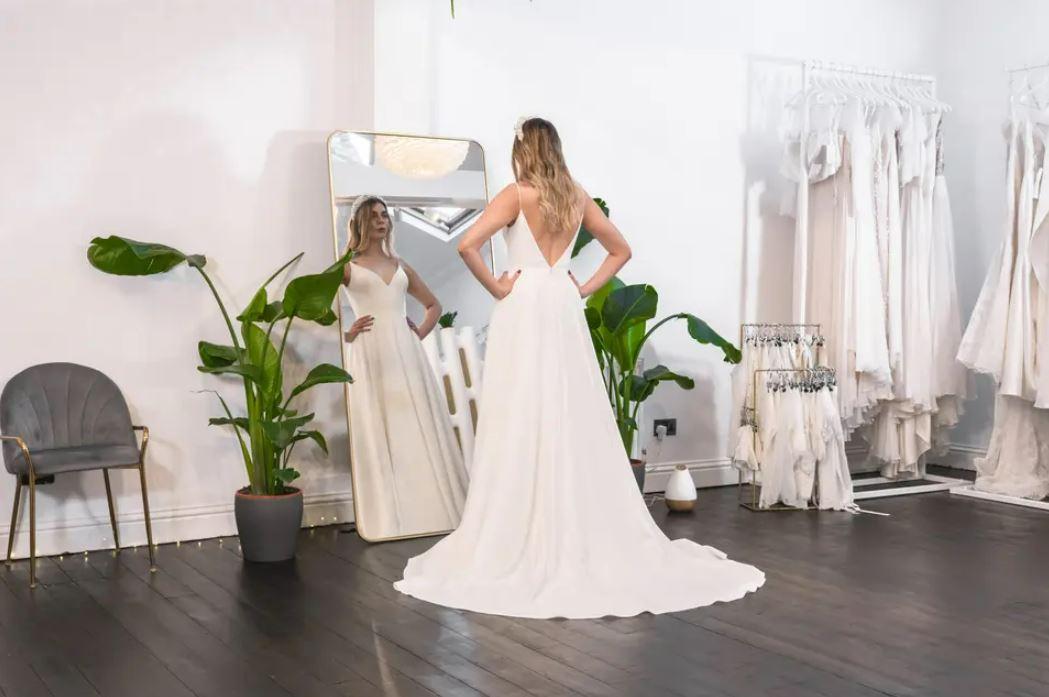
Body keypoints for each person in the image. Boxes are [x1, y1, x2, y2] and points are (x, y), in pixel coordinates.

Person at [393, 118, 764, 618]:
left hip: (524, 303)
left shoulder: (515, 194)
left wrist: (499, 287)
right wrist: (583, 288)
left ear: (523, 150)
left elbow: (466, 245)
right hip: (562, 303)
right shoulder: (576, 196)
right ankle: (574, 522)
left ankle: (514, 526)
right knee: (572, 409)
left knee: (521, 409)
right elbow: (621, 250)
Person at [341, 195, 469, 540]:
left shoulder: (401, 265)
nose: (382, 220)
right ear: (359, 223)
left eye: (385, 215)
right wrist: (348, 333)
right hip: (370, 352)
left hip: (405, 350)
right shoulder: (347, 267)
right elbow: (321, 313)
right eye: (374, 216)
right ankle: (387, 511)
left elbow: (433, 305)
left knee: (415, 421)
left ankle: (431, 508)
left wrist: (418, 334)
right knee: (381, 421)